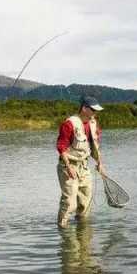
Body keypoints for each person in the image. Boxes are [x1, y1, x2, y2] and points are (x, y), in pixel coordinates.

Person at [56, 96, 104, 227]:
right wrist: (68, 167)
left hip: (84, 167)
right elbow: (61, 147)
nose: (95, 113)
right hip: (68, 166)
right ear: (84, 108)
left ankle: (83, 232)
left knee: (86, 201)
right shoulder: (69, 124)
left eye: (96, 110)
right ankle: (63, 230)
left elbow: (95, 145)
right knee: (70, 203)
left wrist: (100, 163)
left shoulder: (93, 124)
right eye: (93, 110)